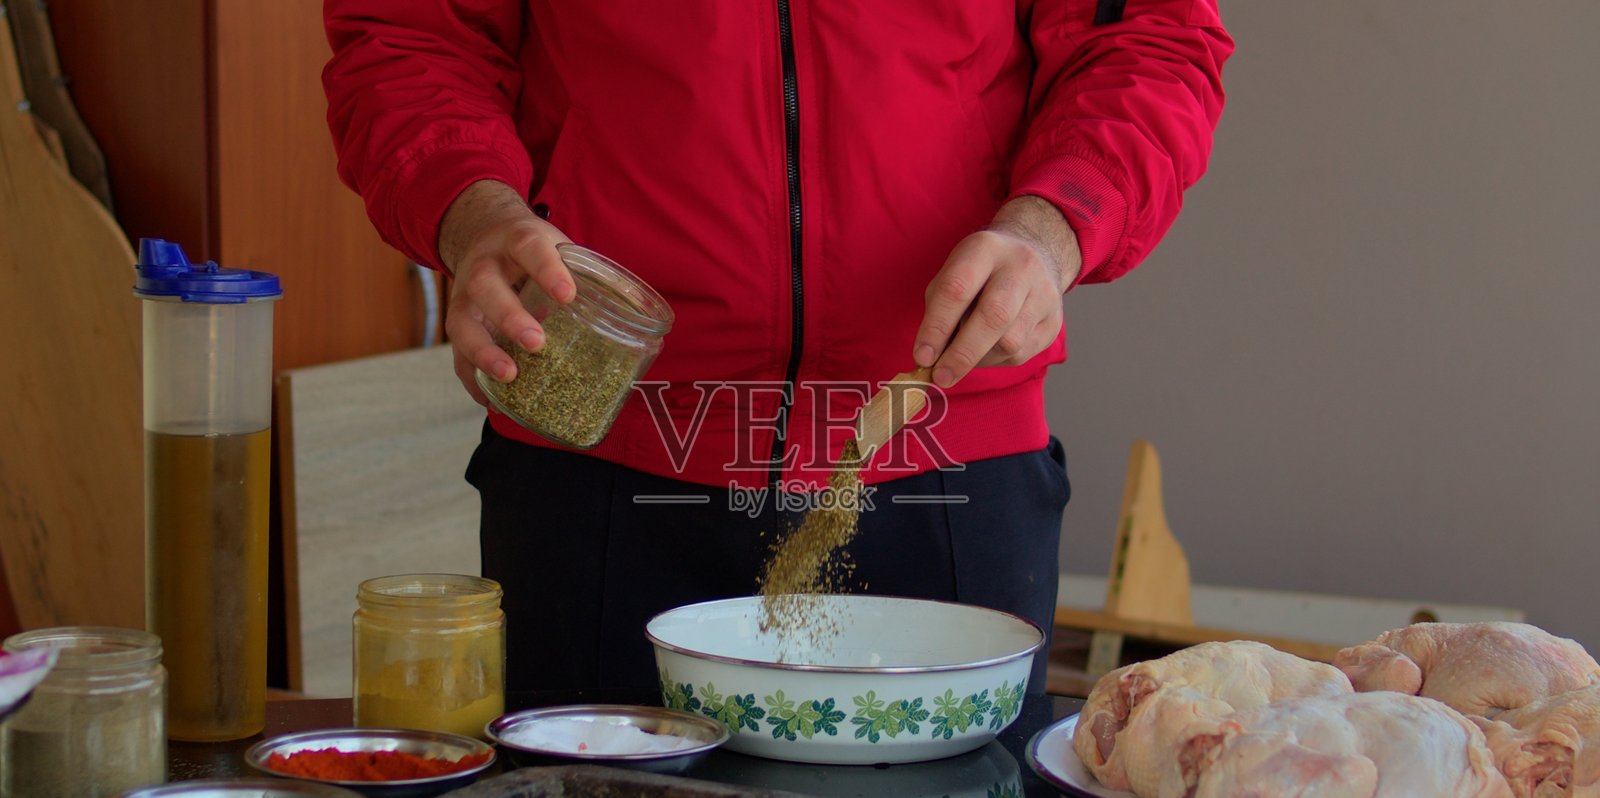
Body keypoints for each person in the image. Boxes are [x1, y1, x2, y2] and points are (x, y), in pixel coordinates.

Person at [322, 2, 1232, 696]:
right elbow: (410, 36)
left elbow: (1146, 39)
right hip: (600, 458)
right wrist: (471, 207)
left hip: (945, 469)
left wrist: (1055, 226)